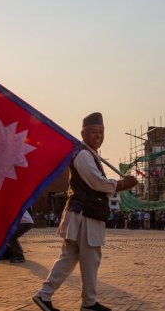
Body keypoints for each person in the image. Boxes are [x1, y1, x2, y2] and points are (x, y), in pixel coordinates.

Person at [33, 112, 138, 311]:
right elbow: (98, 183)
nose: (98, 136)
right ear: (83, 134)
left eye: (101, 132)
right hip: (85, 216)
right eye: (94, 132)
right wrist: (123, 183)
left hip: (82, 214)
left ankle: (44, 295)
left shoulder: (90, 155)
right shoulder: (83, 155)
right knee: (90, 259)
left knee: (69, 257)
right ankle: (88, 303)